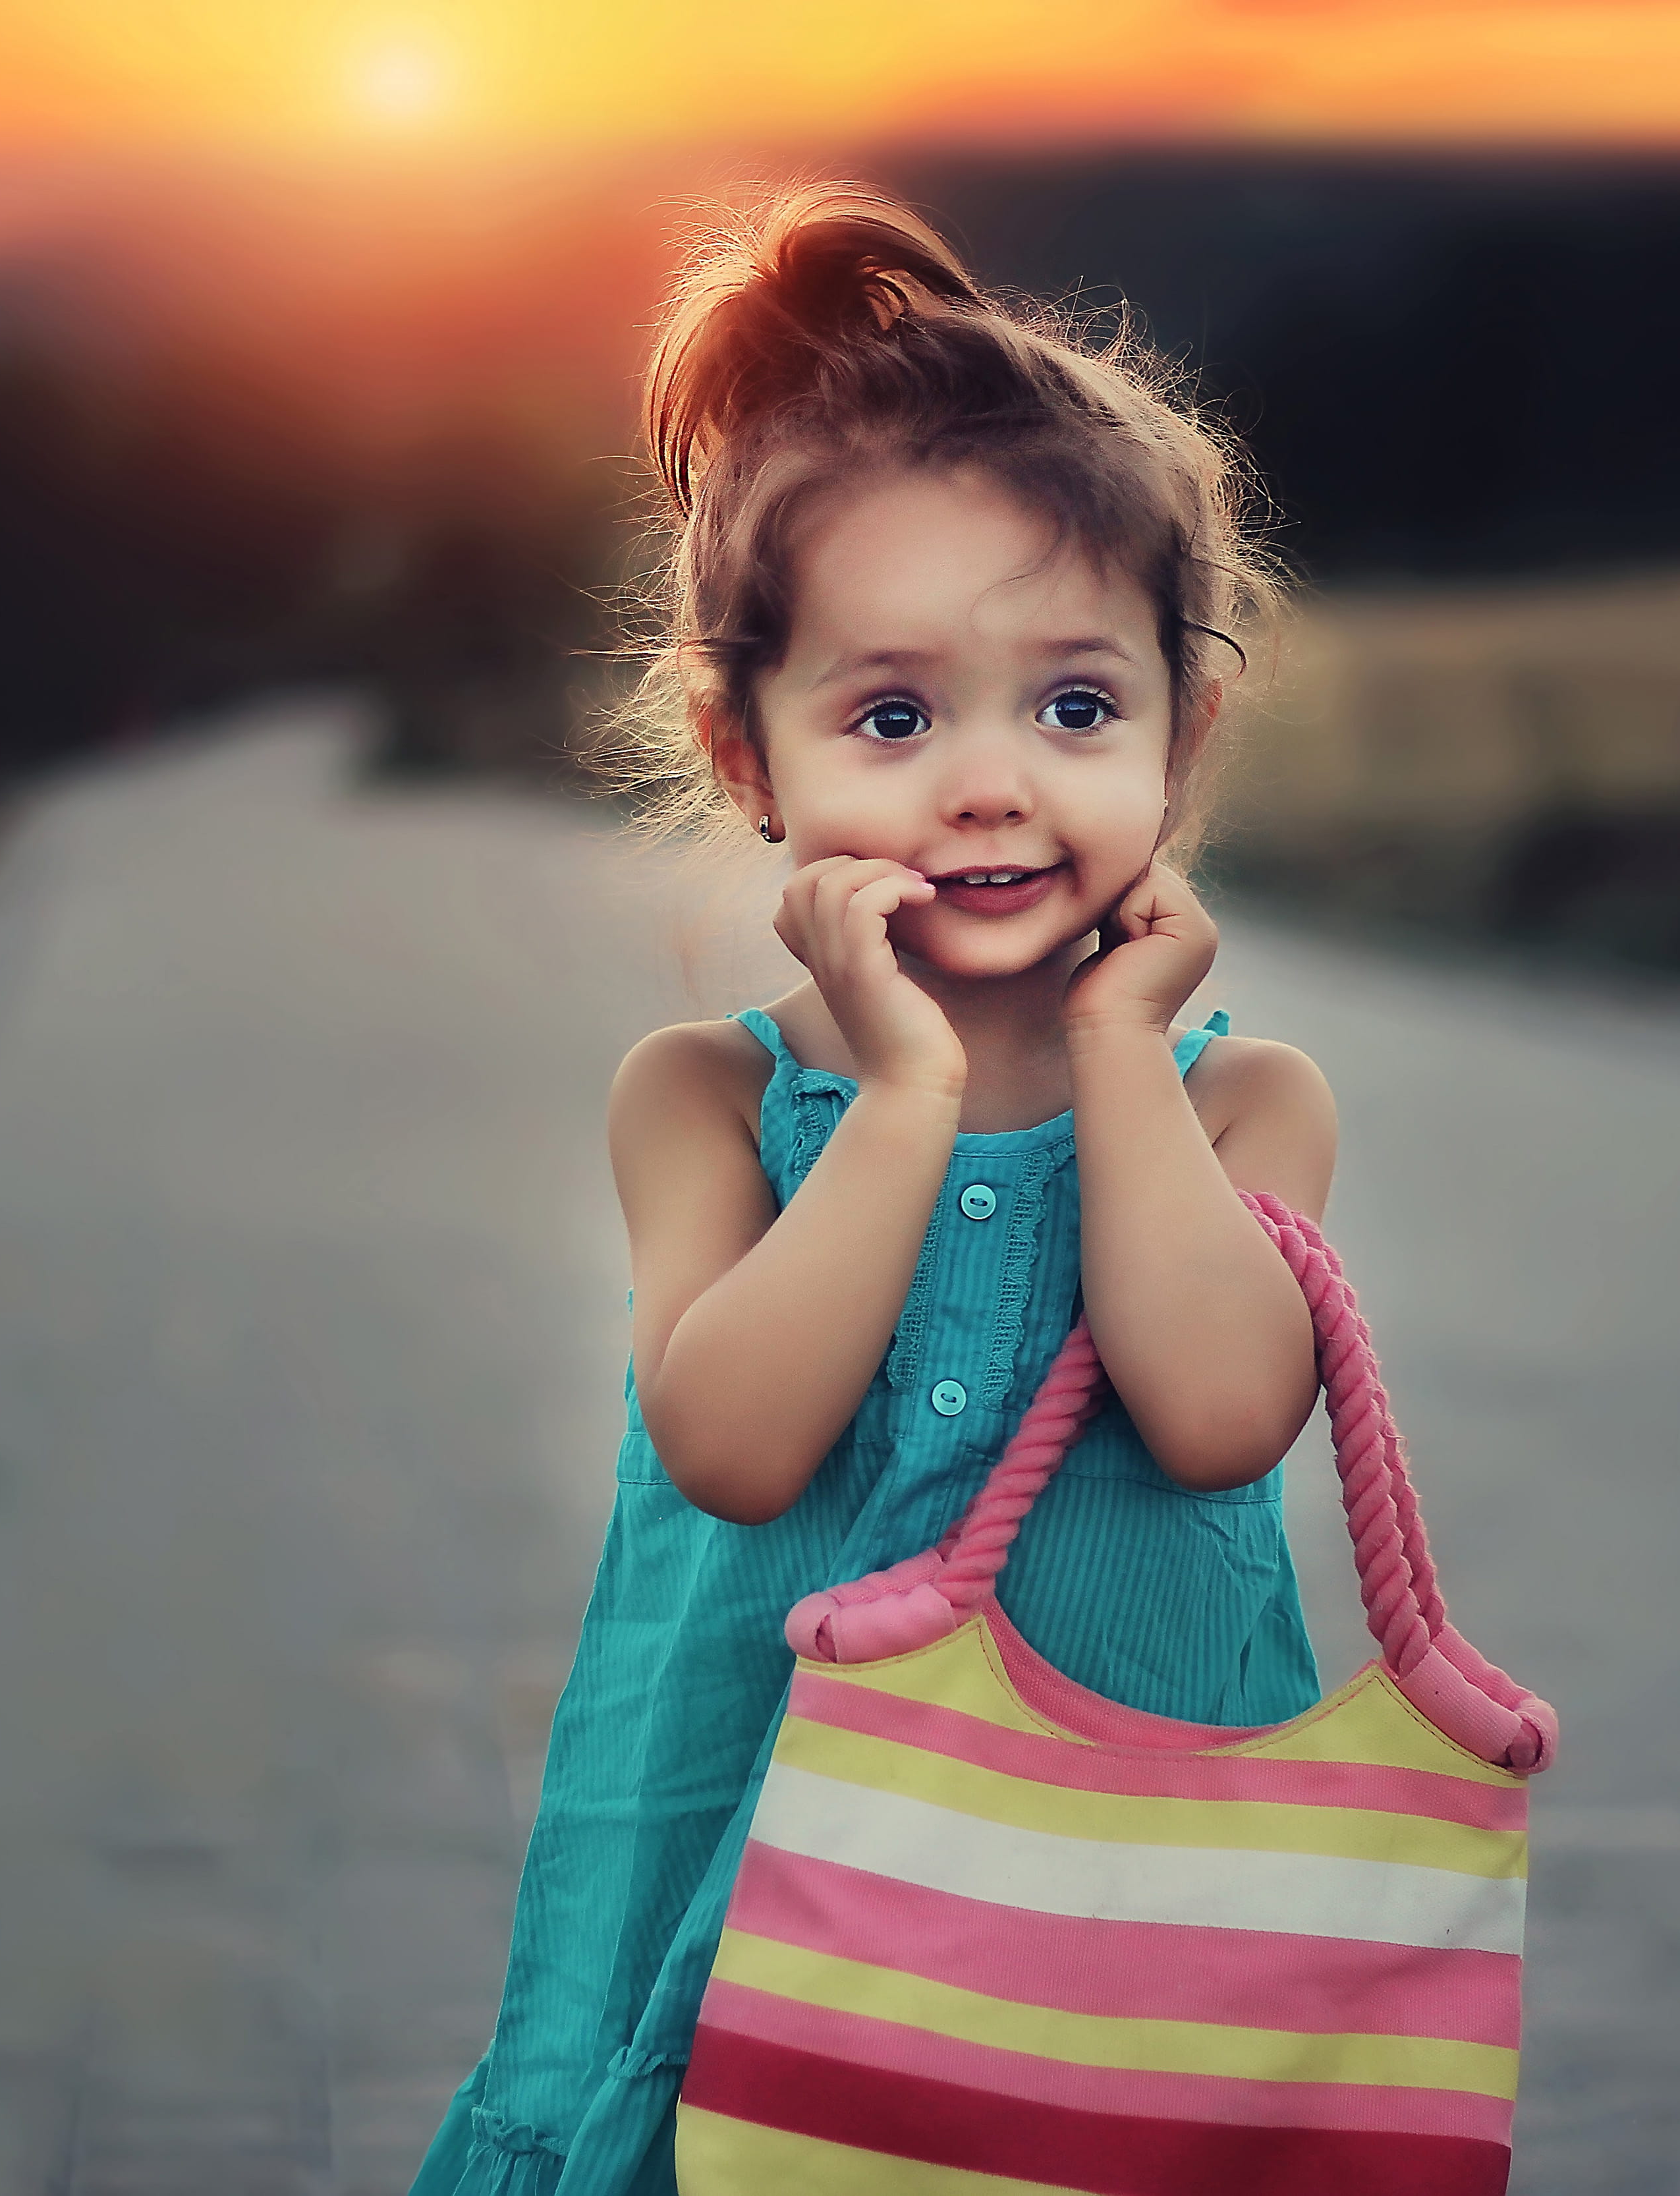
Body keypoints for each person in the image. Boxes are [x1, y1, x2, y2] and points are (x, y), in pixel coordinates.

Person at [408, 179, 1341, 2196]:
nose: (991, 782)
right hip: (737, 1924)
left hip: (1103, 1949)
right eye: (896, 715)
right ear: (745, 751)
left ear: (1187, 730)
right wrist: (903, 1092)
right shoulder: (702, 1103)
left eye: (1077, 706)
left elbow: (1217, 1411)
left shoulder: (1245, 1105)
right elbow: (734, 1445)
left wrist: (1112, 1062)